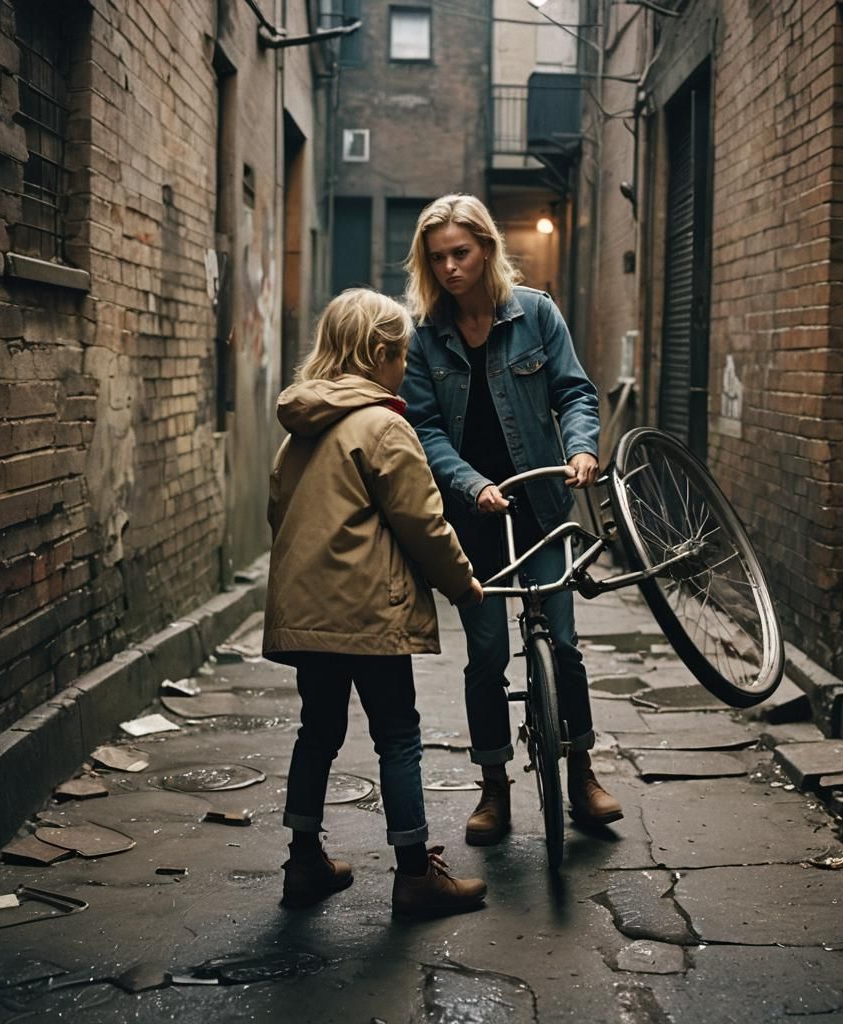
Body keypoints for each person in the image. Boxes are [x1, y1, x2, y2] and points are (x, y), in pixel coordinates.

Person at [400, 194, 623, 847]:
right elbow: (424, 428)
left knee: (564, 642)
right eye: (436, 257)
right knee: (487, 654)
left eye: (460, 253)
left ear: (487, 250)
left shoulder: (536, 313)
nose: (449, 267)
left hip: (541, 506)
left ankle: (581, 771)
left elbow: (574, 391)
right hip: (472, 518)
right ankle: (493, 784)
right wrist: (472, 485)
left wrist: (582, 449)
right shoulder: (424, 336)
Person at [262, 287, 487, 918]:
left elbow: (277, 513)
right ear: (380, 355)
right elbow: (423, 522)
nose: (406, 367)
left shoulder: (299, 431)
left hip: (310, 615)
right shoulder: (385, 426)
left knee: (318, 732)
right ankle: (414, 874)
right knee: (398, 736)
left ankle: (303, 862)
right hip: (369, 614)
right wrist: (462, 582)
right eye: (403, 356)